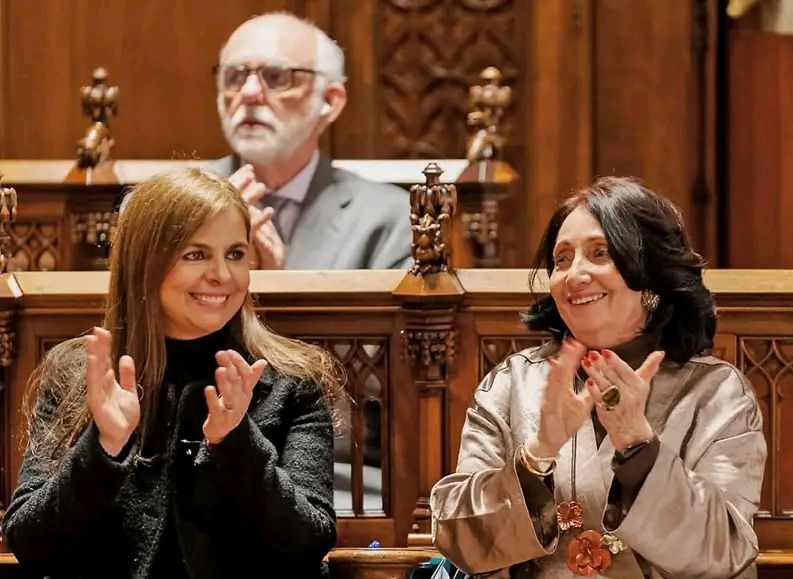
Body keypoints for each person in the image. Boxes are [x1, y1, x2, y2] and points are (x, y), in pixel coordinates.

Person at [2, 168, 343, 578]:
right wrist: (104, 446)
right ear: (144, 264)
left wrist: (237, 444)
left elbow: (309, 540)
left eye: (235, 253)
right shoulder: (78, 373)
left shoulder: (293, 379)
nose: (222, 274)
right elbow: (30, 544)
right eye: (196, 254)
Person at [429, 177, 767, 578]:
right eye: (562, 259)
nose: (575, 275)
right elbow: (459, 539)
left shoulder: (717, 393)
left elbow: (723, 553)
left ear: (653, 277)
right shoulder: (513, 382)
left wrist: (638, 445)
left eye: (600, 253)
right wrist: (537, 454)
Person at [208, 12, 412, 270]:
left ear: (329, 101)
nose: (248, 93)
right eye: (235, 76)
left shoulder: (389, 219)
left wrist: (275, 286)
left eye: (276, 76)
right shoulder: (172, 206)